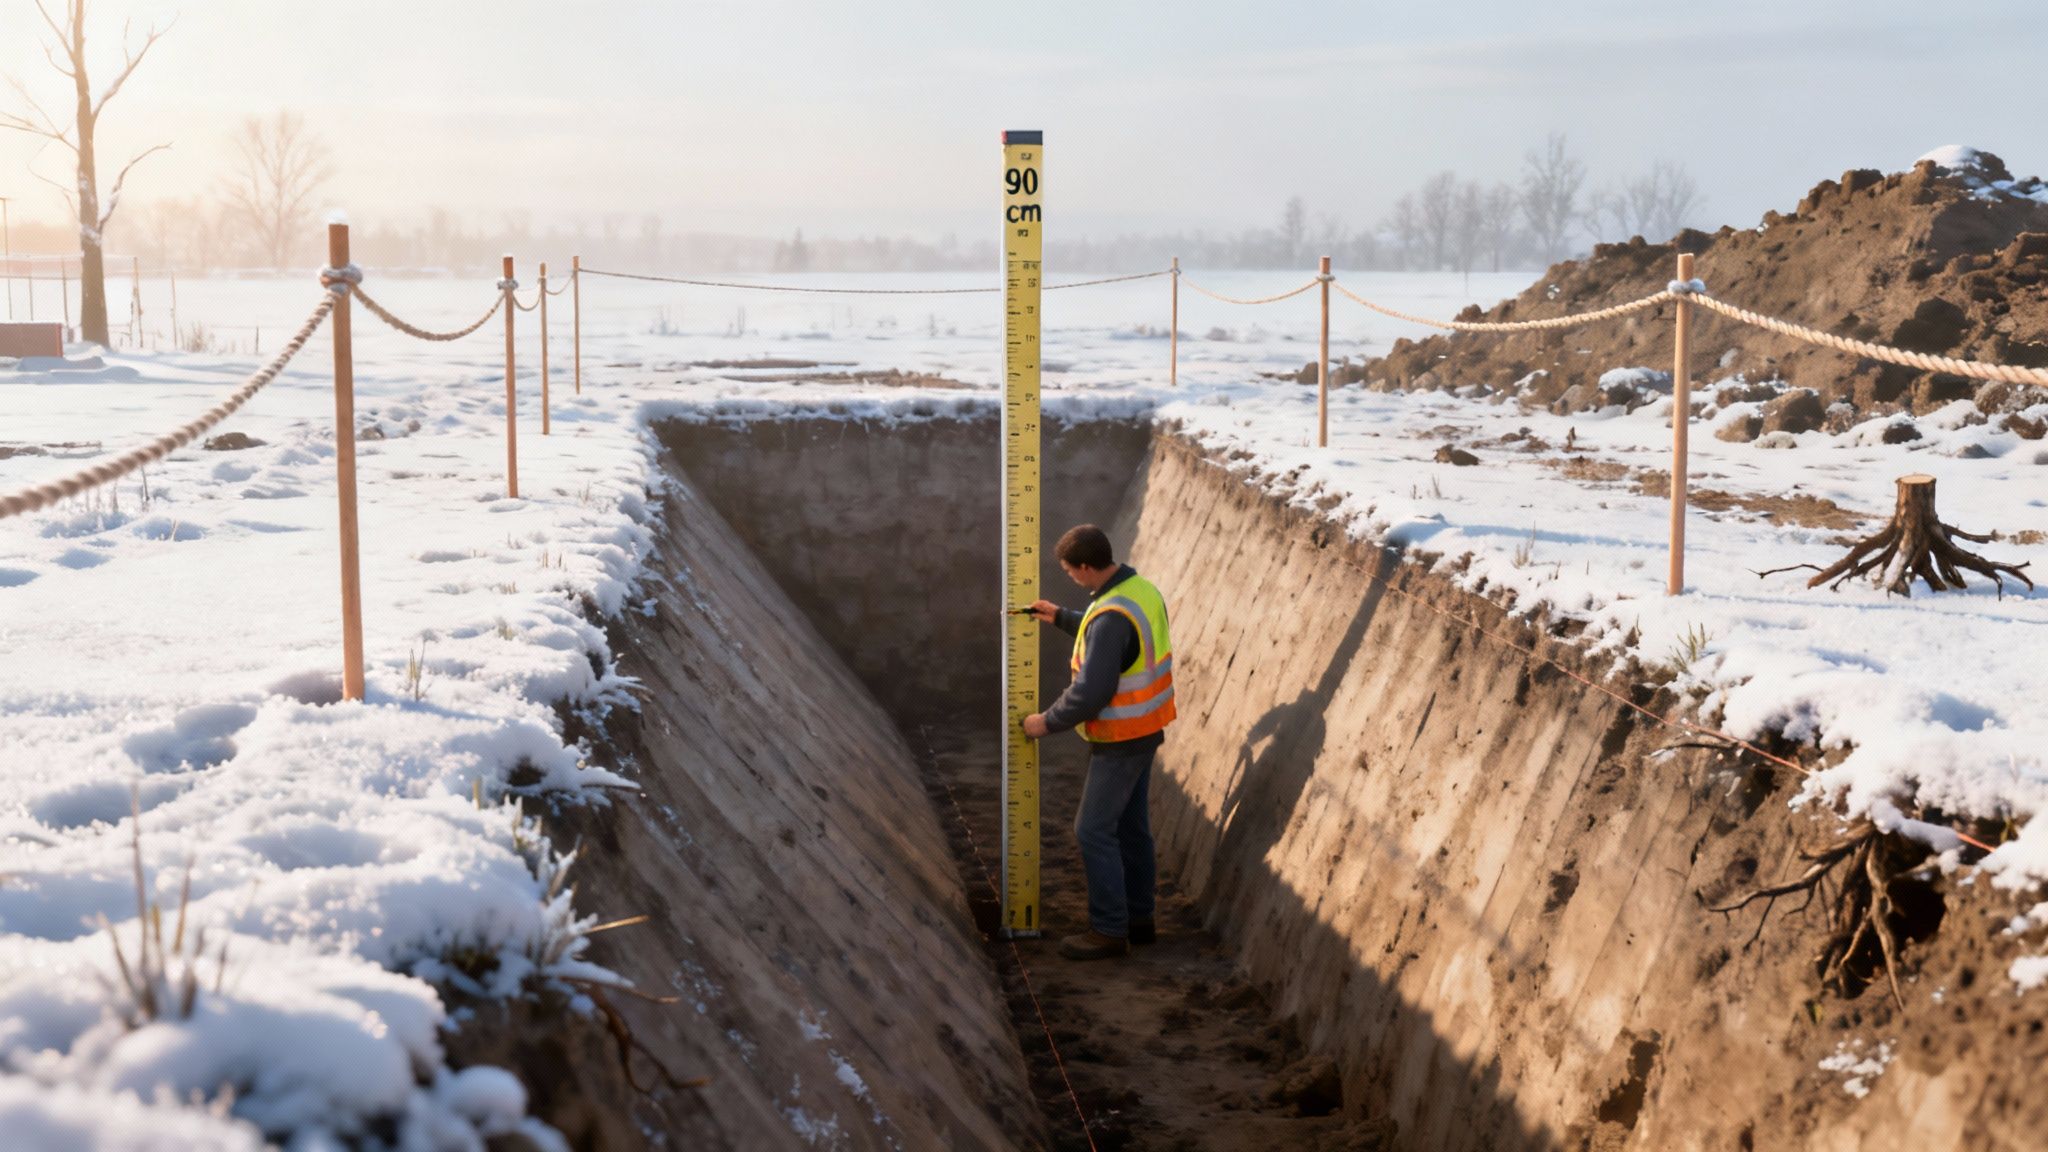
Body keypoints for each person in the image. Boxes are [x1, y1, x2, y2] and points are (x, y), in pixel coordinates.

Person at [1021, 524, 1177, 961]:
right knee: (1131, 829)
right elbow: (1117, 643)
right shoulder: (1139, 589)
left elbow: (1092, 690)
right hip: (1146, 729)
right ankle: (1139, 919)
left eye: (1071, 572)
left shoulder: (1110, 616)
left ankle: (1109, 930)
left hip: (1121, 738)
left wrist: (1044, 723)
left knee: (1091, 830)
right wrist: (1063, 617)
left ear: (1087, 567)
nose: (1070, 578)